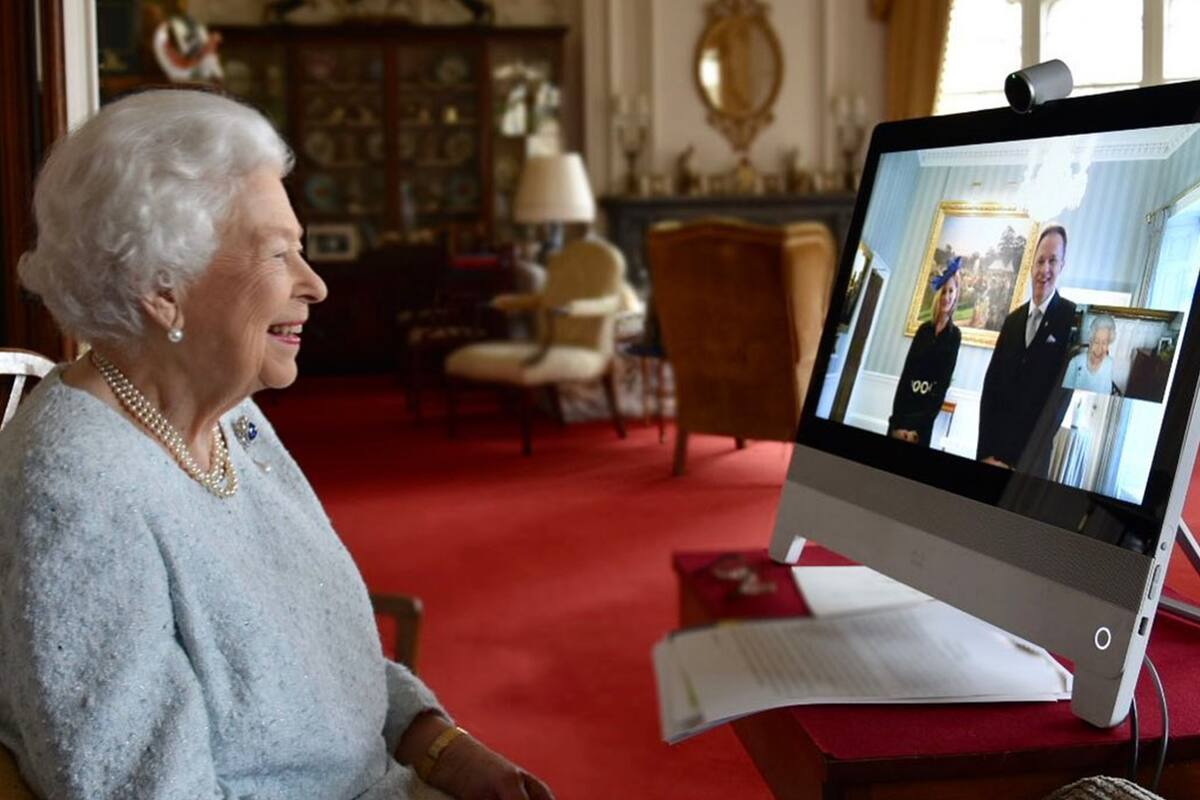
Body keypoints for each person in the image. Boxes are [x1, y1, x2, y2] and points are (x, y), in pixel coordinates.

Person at [0, 90, 553, 800]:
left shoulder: (230, 421)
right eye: (279, 254)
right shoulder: (73, 488)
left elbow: (323, 657)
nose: (315, 285)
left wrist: (440, 746)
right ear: (161, 286)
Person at [977, 225, 1077, 475]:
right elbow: (990, 391)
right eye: (1040, 261)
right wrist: (985, 454)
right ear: (1031, 265)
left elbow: (1059, 403)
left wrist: (1022, 463)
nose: (1045, 269)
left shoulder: (1071, 318)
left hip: (1030, 467)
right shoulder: (1012, 321)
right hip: (992, 457)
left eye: (1052, 261)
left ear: (1062, 266)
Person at [889, 257, 963, 446]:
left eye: (951, 291)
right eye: (944, 291)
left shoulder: (954, 336)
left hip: (922, 423)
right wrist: (896, 422)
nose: (946, 296)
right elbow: (906, 375)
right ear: (938, 295)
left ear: (956, 295)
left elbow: (942, 385)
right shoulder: (923, 330)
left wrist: (917, 427)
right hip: (903, 410)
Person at [1063, 314, 1116, 394]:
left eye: (1104, 343)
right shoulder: (1075, 363)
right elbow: (1064, 394)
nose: (1099, 349)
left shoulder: (1110, 363)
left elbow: (1106, 393)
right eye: (1096, 342)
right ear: (1090, 340)